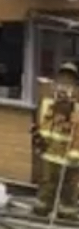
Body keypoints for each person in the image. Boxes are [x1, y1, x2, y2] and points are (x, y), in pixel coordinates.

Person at [33, 62, 79, 219]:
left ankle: (67, 212)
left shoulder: (77, 107)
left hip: (71, 155)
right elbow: (41, 124)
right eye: (62, 80)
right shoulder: (49, 102)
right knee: (47, 182)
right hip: (50, 152)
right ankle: (41, 209)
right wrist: (39, 143)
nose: (65, 84)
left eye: (69, 81)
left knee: (69, 186)